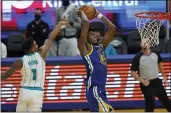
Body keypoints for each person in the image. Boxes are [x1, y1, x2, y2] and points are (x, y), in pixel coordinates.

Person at [1, 20, 69, 112]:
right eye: (35, 44)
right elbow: (51, 37)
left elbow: (5, 75)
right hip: (37, 92)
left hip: (24, 92)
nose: (37, 44)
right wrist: (59, 25)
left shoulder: (19, 61)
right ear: (32, 48)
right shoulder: (41, 54)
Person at [77, 8, 116, 112]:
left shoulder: (101, 47)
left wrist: (98, 15)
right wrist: (82, 14)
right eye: (91, 34)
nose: (94, 34)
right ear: (86, 37)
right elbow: (85, 25)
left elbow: (112, 27)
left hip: (101, 90)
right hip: (94, 89)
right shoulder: (85, 48)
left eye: (95, 33)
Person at [130, 40, 171, 112]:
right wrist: (142, 81)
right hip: (147, 84)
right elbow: (133, 72)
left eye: (147, 42)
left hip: (157, 82)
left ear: (149, 45)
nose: (145, 44)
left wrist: (164, 76)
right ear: (141, 45)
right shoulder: (137, 57)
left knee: (167, 103)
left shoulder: (155, 54)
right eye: (143, 42)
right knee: (150, 105)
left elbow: (160, 64)